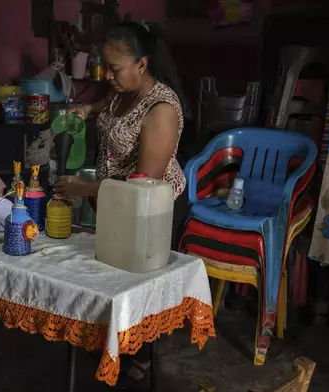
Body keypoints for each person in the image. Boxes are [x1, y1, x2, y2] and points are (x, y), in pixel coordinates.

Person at [54, 22, 189, 386]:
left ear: (142, 65)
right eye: (105, 66)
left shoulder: (162, 108)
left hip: (149, 210)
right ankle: (115, 342)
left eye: (115, 68)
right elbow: (113, 106)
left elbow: (143, 184)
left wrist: (85, 188)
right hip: (112, 200)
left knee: (137, 280)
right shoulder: (120, 92)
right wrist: (89, 109)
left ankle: (141, 356)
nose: (107, 75)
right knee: (112, 274)